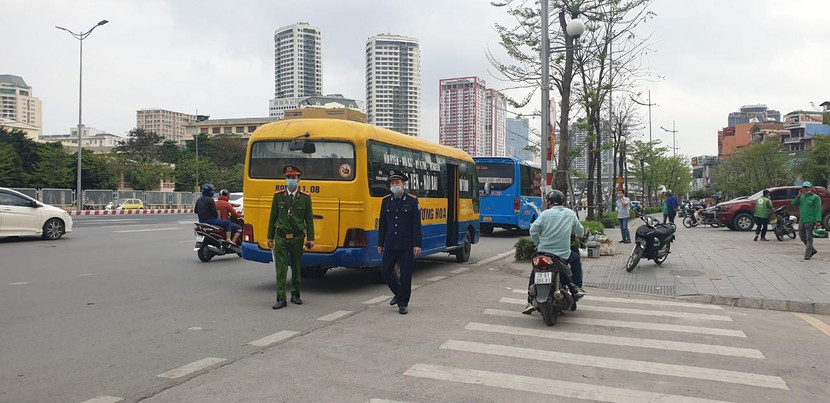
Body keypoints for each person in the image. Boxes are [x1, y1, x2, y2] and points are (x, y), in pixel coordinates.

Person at [523, 190, 585, 315]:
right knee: (576, 259)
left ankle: (530, 300)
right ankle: (577, 287)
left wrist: (537, 243)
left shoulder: (545, 214)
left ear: (549, 202)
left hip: (543, 253)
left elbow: (533, 229)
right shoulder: (570, 214)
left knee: (535, 272)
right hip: (563, 255)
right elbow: (581, 231)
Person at [267, 165, 315, 309]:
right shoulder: (278, 196)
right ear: (285, 179)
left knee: (296, 266)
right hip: (281, 236)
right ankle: (281, 298)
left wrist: (311, 238)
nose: (291, 180)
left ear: (298, 179)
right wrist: (270, 237)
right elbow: (272, 217)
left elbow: (309, 219)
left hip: (297, 237)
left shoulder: (305, 198)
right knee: (281, 269)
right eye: (288, 178)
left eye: (293, 178)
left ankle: (295, 294)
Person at [377, 169, 422, 315]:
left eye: (397, 182)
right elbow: (383, 224)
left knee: (406, 274)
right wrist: (380, 243)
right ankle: (398, 292)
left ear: (403, 184)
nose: (394, 185)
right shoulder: (385, 201)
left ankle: (403, 303)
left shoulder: (412, 201)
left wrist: (417, 244)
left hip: (406, 244)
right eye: (392, 183)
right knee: (385, 270)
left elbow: (416, 225)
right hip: (390, 243)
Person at [792, 182, 822, 260]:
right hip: (802, 220)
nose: (805, 189)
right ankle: (813, 250)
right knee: (802, 236)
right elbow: (793, 203)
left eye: (807, 187)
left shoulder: (815, 197)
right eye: (804, 187)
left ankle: (807, 254)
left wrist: (818, 220)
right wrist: (798, 196)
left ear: (810, 188)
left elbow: (818, 209)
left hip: (811, 220)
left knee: (809, 237)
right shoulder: (801, 197)